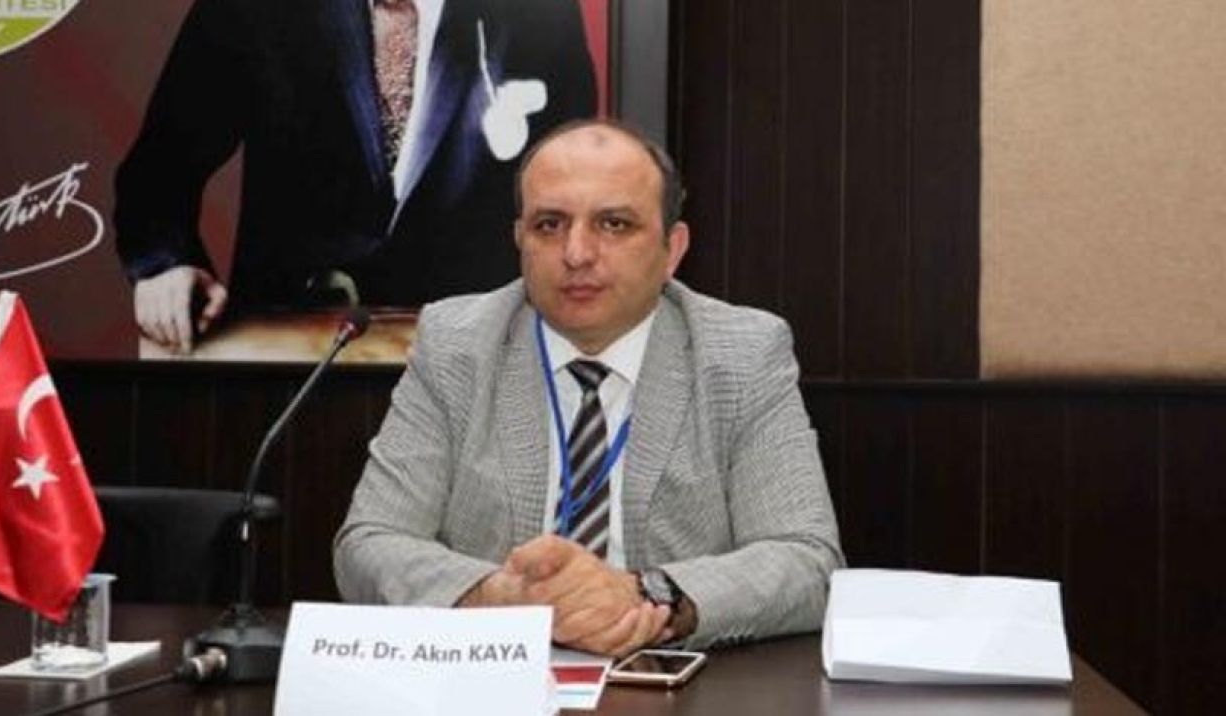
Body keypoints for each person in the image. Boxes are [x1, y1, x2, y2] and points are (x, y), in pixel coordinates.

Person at [333, 119, 844, 656]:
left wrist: (645, 595)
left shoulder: (741, 354)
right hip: (493, 676)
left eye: (614, 224)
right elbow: (369, 543)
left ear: (672, 249)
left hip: (675, 682)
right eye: (549, 225)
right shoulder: (457, 345)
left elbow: (807, 562)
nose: (576, 253)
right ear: (520, 241)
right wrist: (501, 599)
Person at [115, 0, 596, 353]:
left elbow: (572, 191)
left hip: (471, 360)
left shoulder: (540, 13)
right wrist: (166, 266)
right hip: (285, 359)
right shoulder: (256, 9)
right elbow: (158, 172)